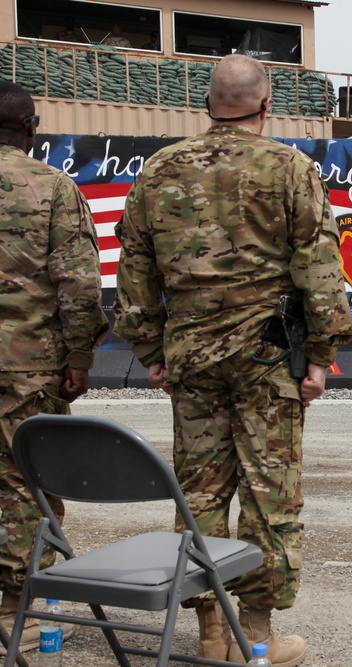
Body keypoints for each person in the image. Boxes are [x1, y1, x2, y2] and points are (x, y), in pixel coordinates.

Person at [113, 54, 352, 666]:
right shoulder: (290, 167)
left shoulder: (160, 169)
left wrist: (150, 349)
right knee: (270, 490)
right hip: (268, 356)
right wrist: (320, 355)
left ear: (208, 106)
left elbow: (134, 272)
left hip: (191, 354)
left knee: (199, 492)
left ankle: (209, 632)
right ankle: (259, 634)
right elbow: (318, 269)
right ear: (266, 106)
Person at [0, 81, 107, 650]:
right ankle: (20, 611)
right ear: (31, 128)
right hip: (29, 369)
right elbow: (78, 284)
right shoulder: (51, 187)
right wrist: (79, 357)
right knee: (25, 487)